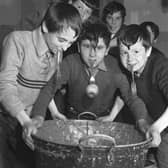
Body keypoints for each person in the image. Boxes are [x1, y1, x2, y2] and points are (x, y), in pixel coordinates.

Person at [22, 22, 152, 150]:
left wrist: (142, 121)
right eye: (87, 46)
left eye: (99, 48)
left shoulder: (115, 68)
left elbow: (131, 98)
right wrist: (38, 117)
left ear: (107, 50)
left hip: (104, 122)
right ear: (78, 47)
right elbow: (49, 89)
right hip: (72, 121)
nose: (92, 55)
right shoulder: (69, 63)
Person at [0, 2, 82, 168]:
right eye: (62, 40)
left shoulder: (55, 52)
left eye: (71, 43)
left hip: (26, 119)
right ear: (45, 26)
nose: (65, 48)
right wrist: (25, 121)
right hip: (5, 118)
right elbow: (5, 87)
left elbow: (43, 87)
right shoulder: (17, 40)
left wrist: (54, 112)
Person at [119, 24, 168, 168]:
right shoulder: (128, 70)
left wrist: (156, 127)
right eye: (124, 53)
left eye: (136, 51)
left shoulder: (160, 66)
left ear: (148, 51)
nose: (130, 59)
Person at [19, 0, 99, 30]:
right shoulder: (47, 13)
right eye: (79, 7)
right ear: (70, 2)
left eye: (87, 12)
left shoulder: (88, 29)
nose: (82, 14)